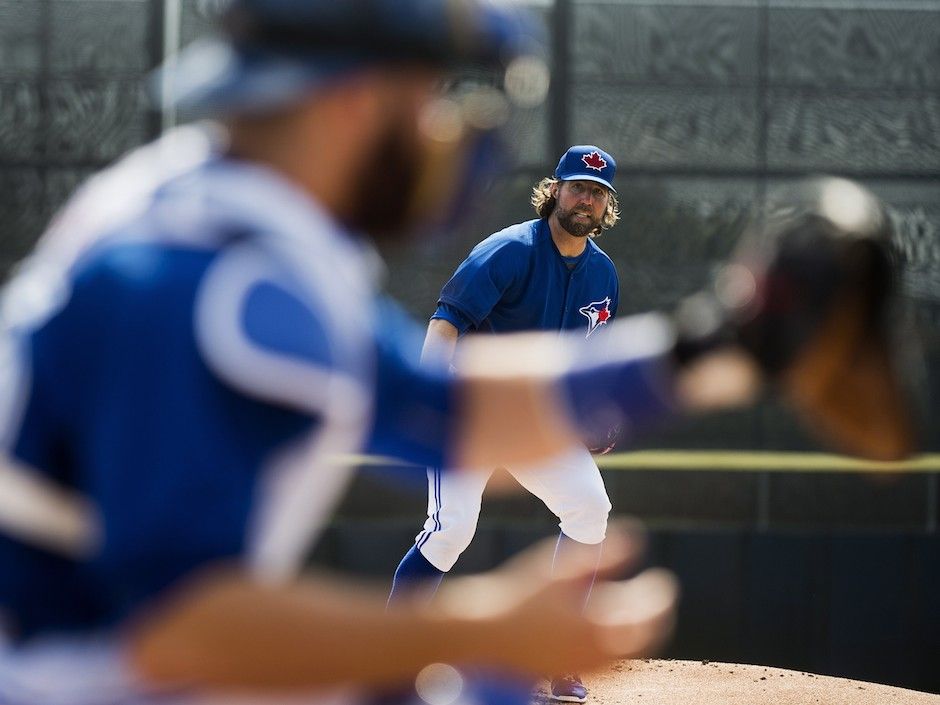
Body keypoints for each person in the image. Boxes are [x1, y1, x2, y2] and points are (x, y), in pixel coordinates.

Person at [0, 0, 911, 703]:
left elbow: (438, 407)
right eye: (435, 96)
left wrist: (731, 341)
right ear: (355, 101)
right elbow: (175, 627)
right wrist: (476, 627)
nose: (453, 130)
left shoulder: (217, 214)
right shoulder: (201, 275)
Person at [389, 144, 623, 703]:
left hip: (532, 420)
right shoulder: (511, 249)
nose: (584, 199)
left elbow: (585, 361)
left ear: (606, 206)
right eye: (576, 187)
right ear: (555, 190)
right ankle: (393, 659)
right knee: (450, 532)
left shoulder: (604, 275)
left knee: (591, 507)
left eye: (596, 193)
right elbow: (446, 323)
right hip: (469, 412)